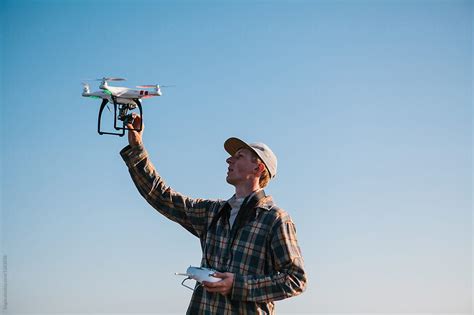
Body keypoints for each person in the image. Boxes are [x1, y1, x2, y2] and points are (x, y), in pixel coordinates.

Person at [120, 115, 307, 314]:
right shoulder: (212, 212)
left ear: (258, 168)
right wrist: (137, 148)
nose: (229, 159)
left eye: (239, 156)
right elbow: (161, 196)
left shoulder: (275, 219)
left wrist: (237, 285)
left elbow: (296, 279)